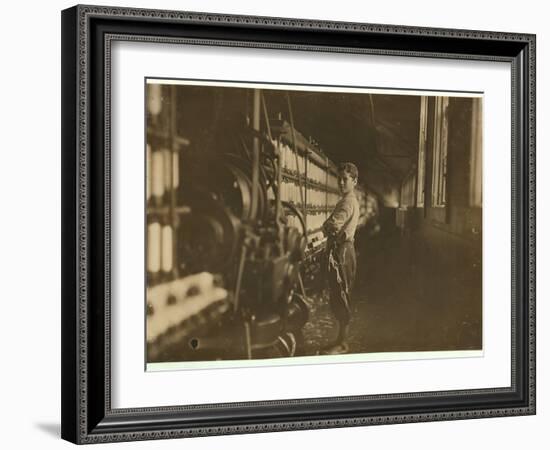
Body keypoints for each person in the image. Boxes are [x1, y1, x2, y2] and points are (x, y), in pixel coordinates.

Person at [321, 162, 360, 355]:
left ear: (354, 181)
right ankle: (340, 339)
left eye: (345, 179)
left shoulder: (347, 202)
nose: (341, 182)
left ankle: (343, 343)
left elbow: (333, 226)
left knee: (341, 294)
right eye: (340, 178)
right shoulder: (349, 199)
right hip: (344, 250)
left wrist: (325, 224)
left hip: (342, 252)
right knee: (341, 293)